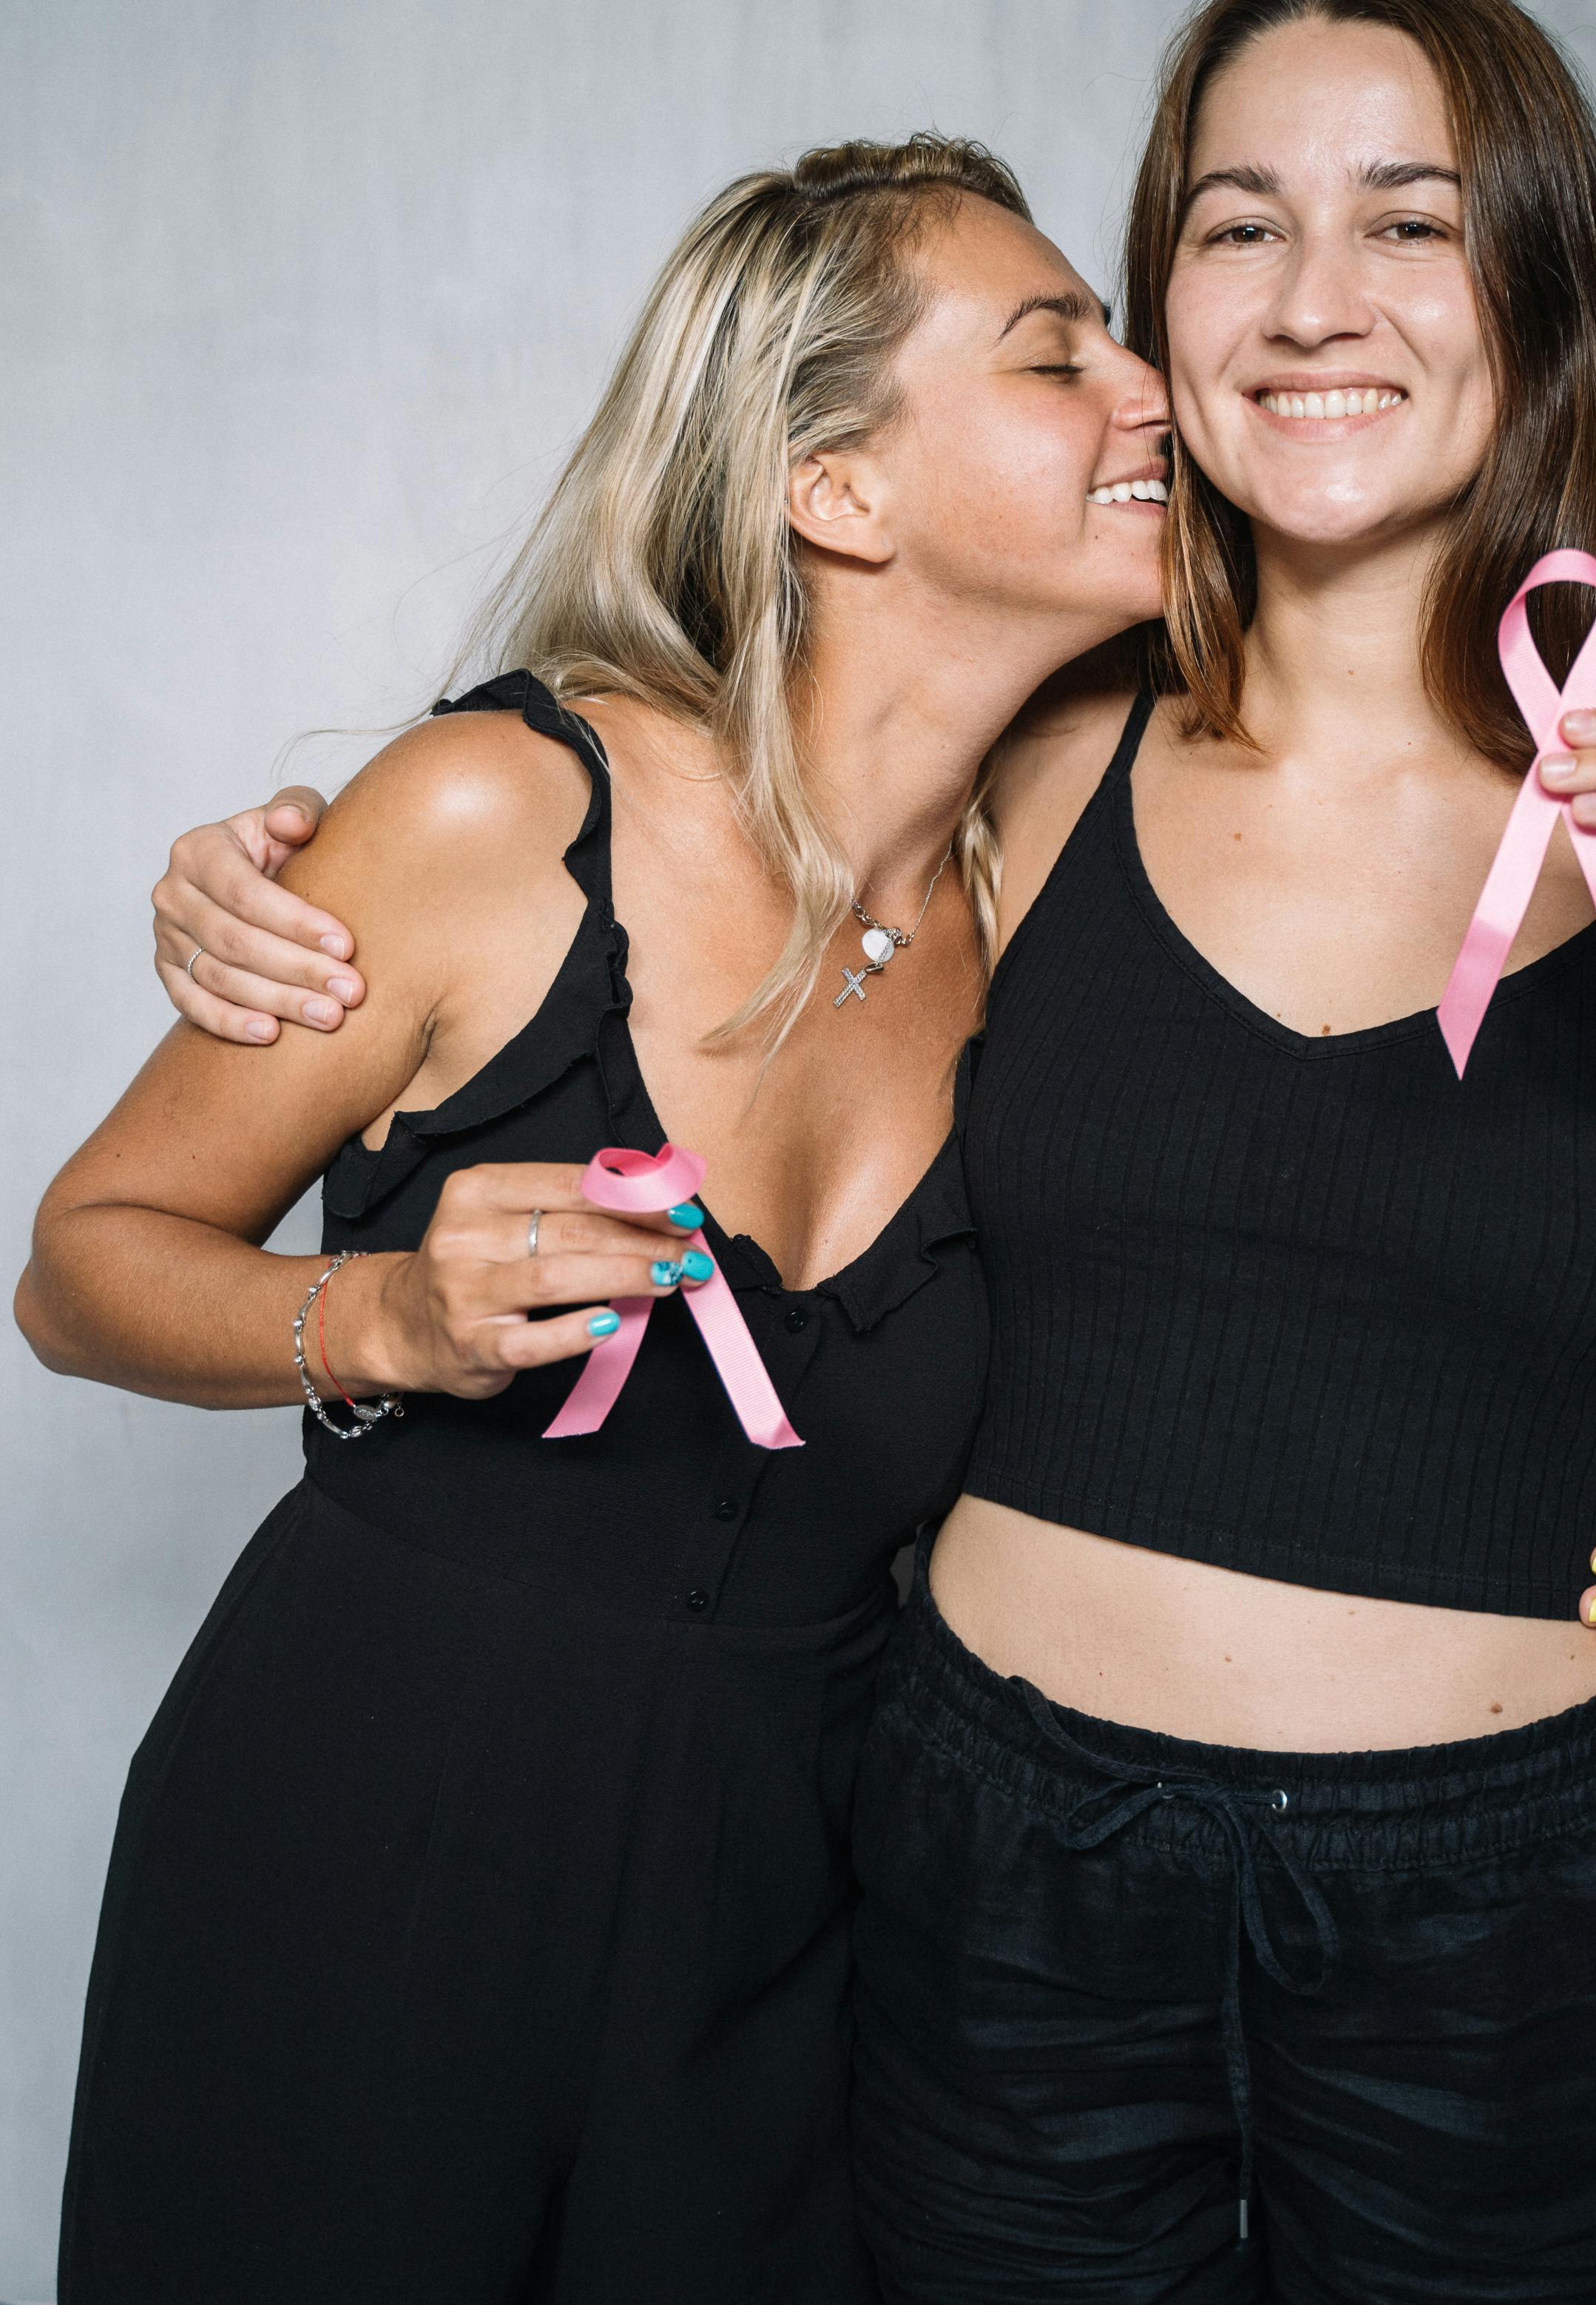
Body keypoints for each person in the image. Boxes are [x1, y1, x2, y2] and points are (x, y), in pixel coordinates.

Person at [833, 0, 1596, 2301]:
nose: (1314, 297)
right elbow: (675, 879)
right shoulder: (1036, 760)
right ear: (1163, 312)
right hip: (998, 1896)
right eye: (1238, 224)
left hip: (1518, 1943)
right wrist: (334, 865)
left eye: (1406, 219)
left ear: (1532, 286)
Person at [18, 132, 1179, 2303]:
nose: (1150, 390)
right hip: (353, 1842)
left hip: (789, 1938)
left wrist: (1575, 1551)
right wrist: (376, 1313)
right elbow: (80, 1261)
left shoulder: (1055, 905)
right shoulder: (496, 805)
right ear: (837, 487)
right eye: (1056, 356)